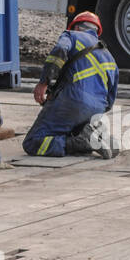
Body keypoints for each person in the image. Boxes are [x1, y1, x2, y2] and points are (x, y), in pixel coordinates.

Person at [22, 11, 120, 159]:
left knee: (32, 142)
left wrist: (43, 83)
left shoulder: (71, 36)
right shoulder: (110, 58)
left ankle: (79, 142)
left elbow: (60, 50)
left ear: (76, 27)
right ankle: (90, 135)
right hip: (97, 109)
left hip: (72, 101)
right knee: (69, 129)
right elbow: (110, 99)